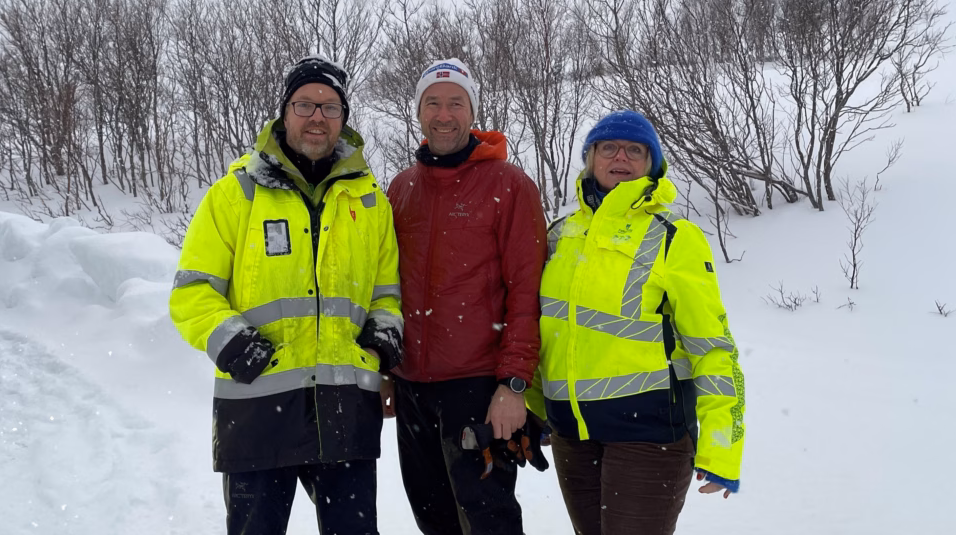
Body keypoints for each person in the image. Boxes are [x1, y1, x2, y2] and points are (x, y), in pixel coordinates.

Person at [169, 55, 403, 535]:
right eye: (305, 104)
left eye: (331, 107)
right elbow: (192, 292)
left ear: (344, 118)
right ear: (283, 112)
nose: (317, 116)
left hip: (346, 412)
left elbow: (387, 292)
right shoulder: (236, 194)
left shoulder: (370, 201)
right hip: (258, 409)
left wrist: (381, 340)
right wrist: (236, 345)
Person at [524, 109, 747, 535]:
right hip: (573, 436)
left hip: (650, 437)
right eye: (608, 147)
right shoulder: (559, 234)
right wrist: (535, 410)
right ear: (591, 159)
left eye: (635, 150)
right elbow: (545, 330)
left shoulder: (673, 236)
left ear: (652, 163)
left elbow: (713, 346)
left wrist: (722, 446)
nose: (620, 157)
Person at [383, 58, 548, 535]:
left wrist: (514, 383)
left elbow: (526, 292)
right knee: (432, 517)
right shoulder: (401, 188)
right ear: (418, 113)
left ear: (472, 112)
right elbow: (388, 287)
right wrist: (389, 372)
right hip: (413, 386)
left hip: (479, 386)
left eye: (456, 102)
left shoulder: (509, 185)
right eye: (432, 103)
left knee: (487, 518)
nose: (443, 114)